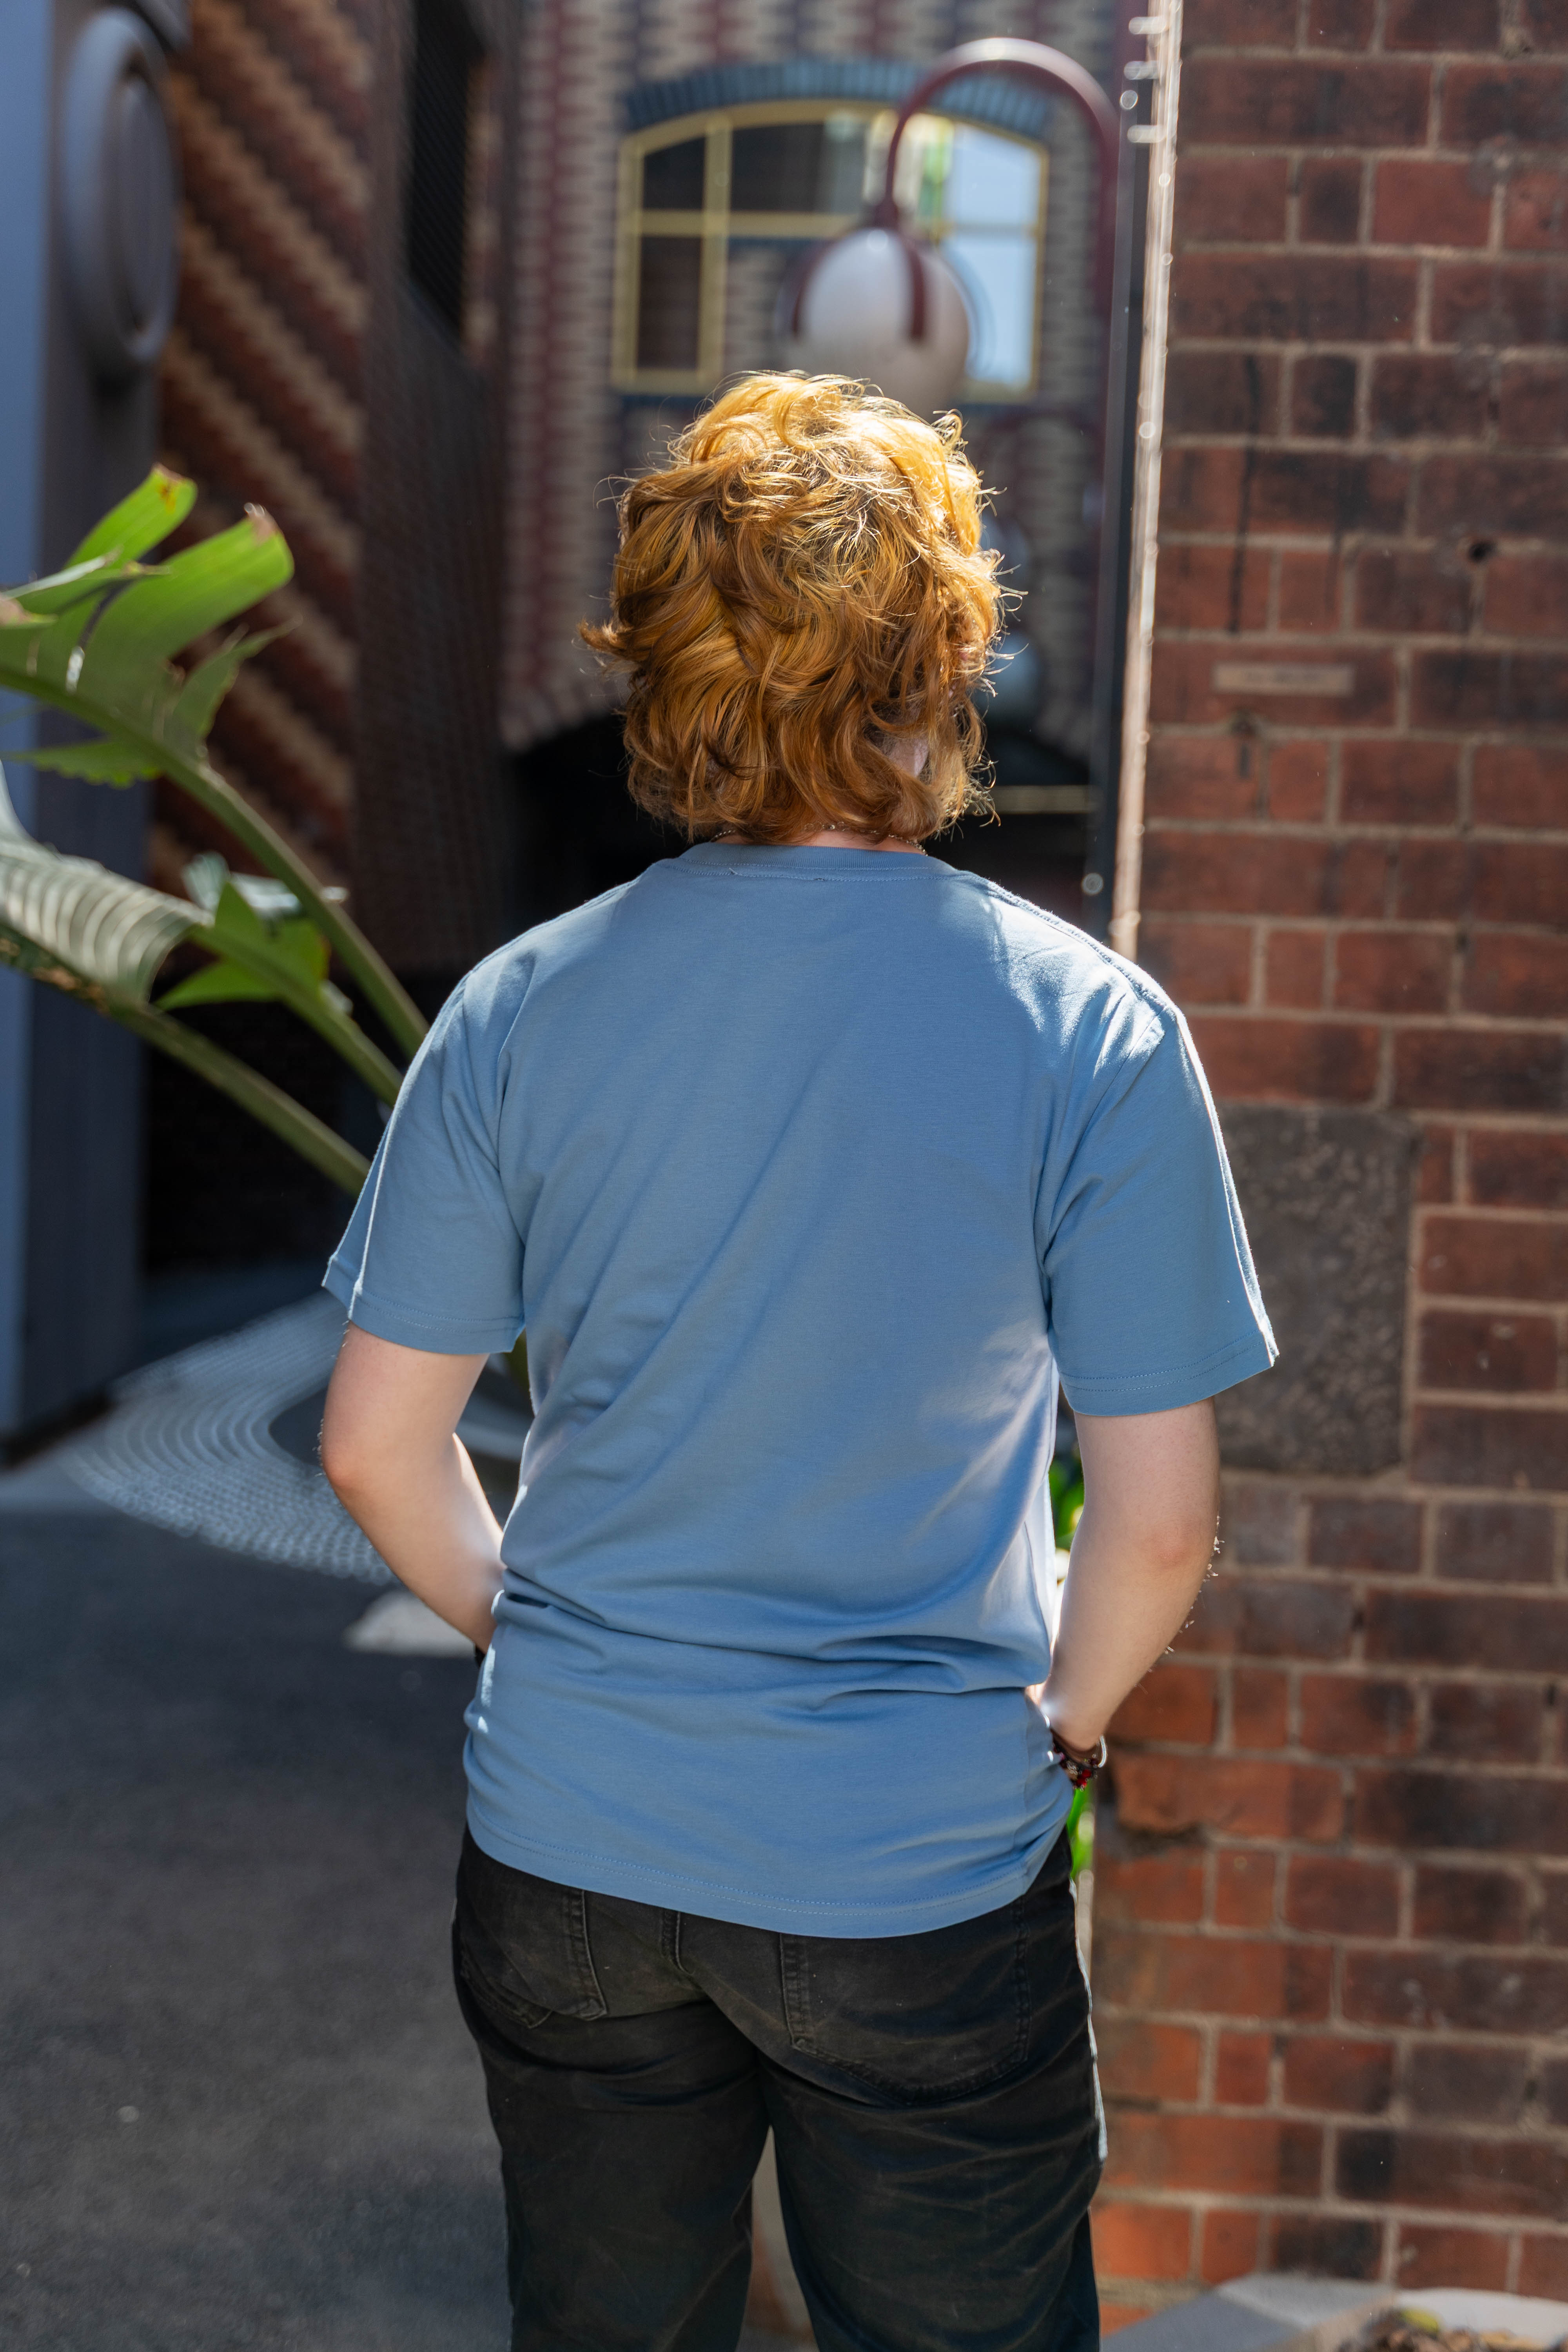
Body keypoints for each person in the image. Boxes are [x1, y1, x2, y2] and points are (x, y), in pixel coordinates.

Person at [320, 373, 1275, 2352]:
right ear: (940, 660)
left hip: (574, 1843)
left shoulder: (512, 1012)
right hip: (922, 1860)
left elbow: (374, 1451)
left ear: (664, 673)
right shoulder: (1085, 1028)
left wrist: (534, 1631)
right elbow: (1161, 1522)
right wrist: (1068, 1722)